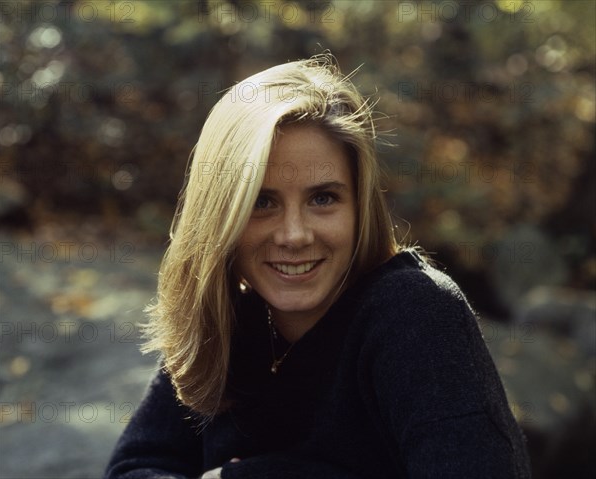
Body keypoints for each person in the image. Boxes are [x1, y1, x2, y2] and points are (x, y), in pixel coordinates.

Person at [104, 55, 531, 478]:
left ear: (360, 207)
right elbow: (134, 468)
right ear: (220, 214)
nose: (294, 235)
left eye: (323, 198)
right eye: (262, 202)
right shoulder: (228, 315)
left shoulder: (416, 314)